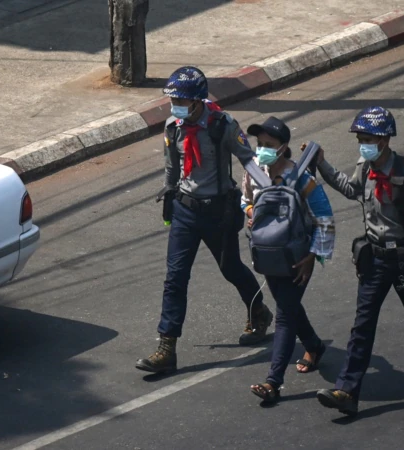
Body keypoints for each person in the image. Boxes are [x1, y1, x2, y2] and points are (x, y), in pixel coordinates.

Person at [136, 66, 274, 375]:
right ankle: (166, 347)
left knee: (231, 268)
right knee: (175, 277)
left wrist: (266, 192)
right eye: (174, 100)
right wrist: (169, 195)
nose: (177, 106)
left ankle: (259, 312)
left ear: (198, 101)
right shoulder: (173, 127)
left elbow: (247, 159)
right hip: (186, 210)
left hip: (218, 210)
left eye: (182, 101)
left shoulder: (222, 124)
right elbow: (172, 166)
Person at [312, 106, 404, 416]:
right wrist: (322, 165)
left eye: (367, 139)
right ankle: (347, 391)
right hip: (375, 258)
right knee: (362, 325)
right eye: (360, 139)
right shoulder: (365, 167)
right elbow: (350, 189)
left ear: (384, 140)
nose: (363, 144)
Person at [241, 116, 336, 402]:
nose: (262, 151)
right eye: (259, 145)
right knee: (288, 305)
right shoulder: (252, 173)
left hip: (298, 257)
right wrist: (249, 213)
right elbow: (244, 200)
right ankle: (314, 346)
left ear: (283, 148)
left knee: (284, 313)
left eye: (269, 145)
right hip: (268, 256)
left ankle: (273, 382)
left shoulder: (302, 179)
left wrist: (314, 256)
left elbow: (325, 219)